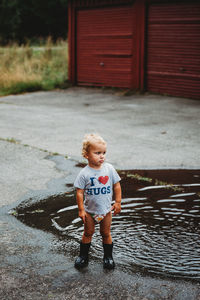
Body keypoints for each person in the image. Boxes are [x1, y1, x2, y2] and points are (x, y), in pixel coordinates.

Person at [74, 133, 122, 269]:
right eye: (97, 153)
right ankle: (83, 256)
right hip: (90, 211)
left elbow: (117, 185)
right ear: (86, 154)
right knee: (88, 233)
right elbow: (79, 192)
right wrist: (81, 210)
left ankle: (108, 257)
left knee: (106, 233)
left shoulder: (109, 169)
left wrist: (117, 202)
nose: (102, 156)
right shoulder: (84, 173)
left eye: (104, 152)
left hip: (106, 210)